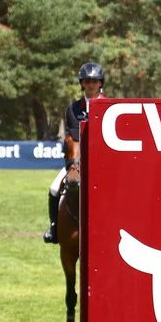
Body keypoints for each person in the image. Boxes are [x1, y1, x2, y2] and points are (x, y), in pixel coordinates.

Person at [43, 62, 105, 243]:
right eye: (87, 81)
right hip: (78, 160)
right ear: (82, 84)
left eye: (95, 81)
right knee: (54, 188)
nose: (91, 85)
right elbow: (74, 136)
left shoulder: (109, 105)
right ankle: (54, 227)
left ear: (101, 83)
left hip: (104, 161)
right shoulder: (73, 109)